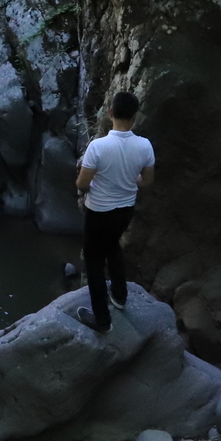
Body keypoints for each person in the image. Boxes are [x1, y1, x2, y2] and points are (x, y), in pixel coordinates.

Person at [73, 91, 154, 332]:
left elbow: (81, 184)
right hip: (125, 210)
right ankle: (119, 295)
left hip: (98, 211)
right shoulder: (144, 146)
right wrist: (128, 179)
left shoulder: (98, 147)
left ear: (110, 114)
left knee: (94, 261)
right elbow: (147, 181)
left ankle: (102, 320)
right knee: (112, 245)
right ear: (134, 117)